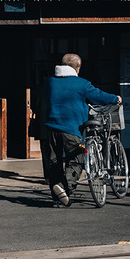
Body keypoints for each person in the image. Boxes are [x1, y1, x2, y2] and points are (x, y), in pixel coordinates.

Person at [38, 53, 120, 207]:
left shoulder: (50, 82)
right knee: (77, 158)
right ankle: (64, 188)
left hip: (50, 128)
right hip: (71, 129)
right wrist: (115, 98)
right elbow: (98, 96)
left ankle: (57, 196)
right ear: (78, 67)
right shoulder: (81, 84)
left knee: (54, 162)